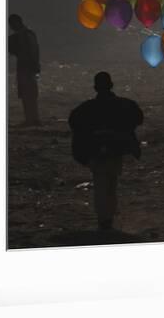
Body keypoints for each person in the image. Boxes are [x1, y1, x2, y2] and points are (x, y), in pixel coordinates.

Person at [69, 72, 143, 231]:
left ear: (95, 88)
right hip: (115, 150)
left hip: (96, 151)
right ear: (111, 86)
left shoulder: (85, 109)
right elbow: (138, 119)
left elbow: (74, 124)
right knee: (111, 184)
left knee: (101, 185)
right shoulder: (125, 105)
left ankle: (104, 220)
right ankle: (108, 219)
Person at [8, 14, 41, 126]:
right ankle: (32, 118)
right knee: (29, 94)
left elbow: (31, 52)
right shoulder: (28, 34)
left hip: (26, 67)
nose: (11, 27)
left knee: (28, 94)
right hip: (27, 67)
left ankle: (31, 119)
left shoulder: (25, 35)